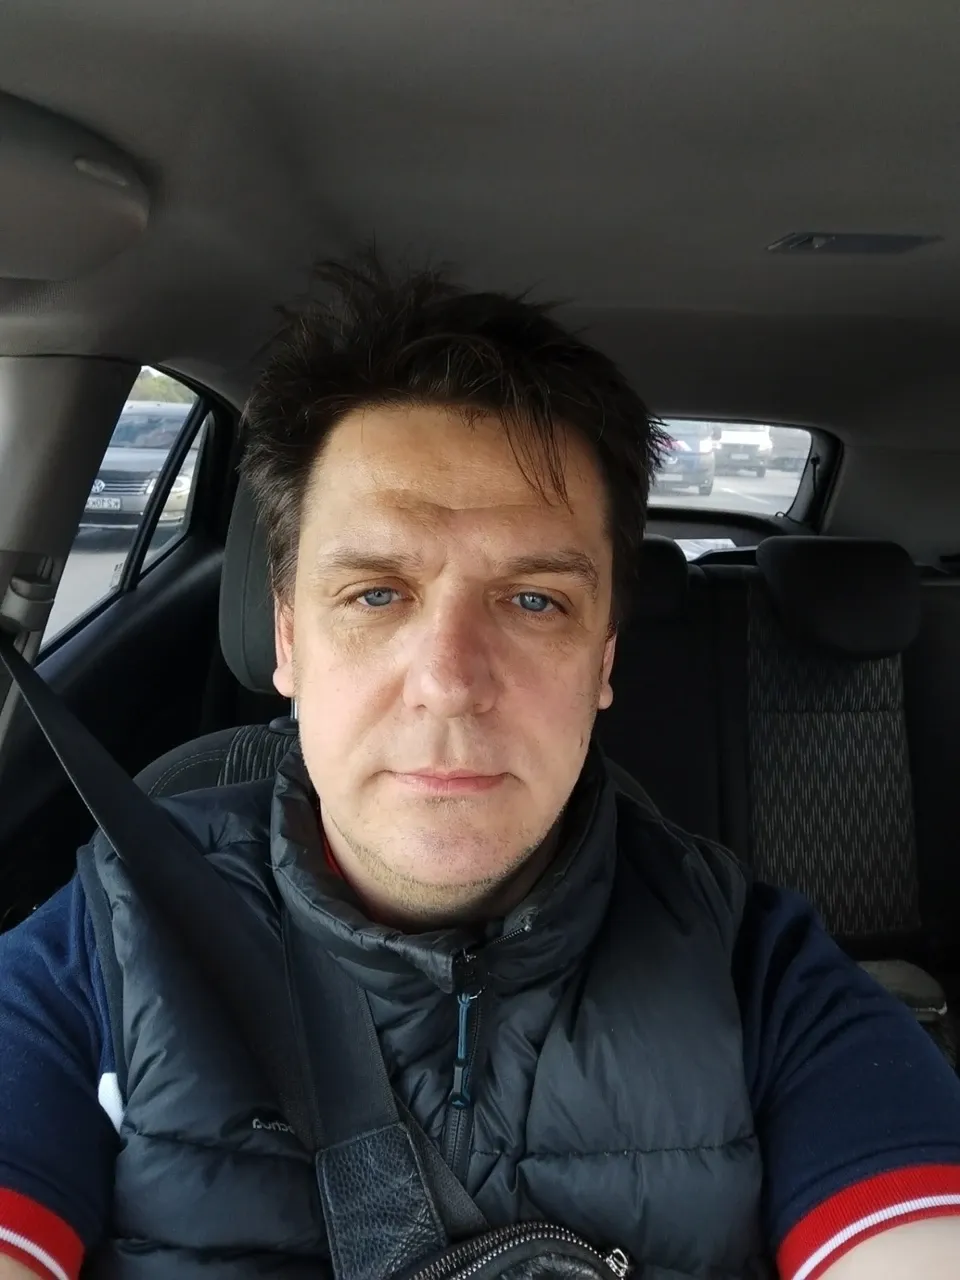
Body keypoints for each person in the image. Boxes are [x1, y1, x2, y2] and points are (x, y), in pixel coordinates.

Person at [2, 256, 960, 1280]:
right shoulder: (110, 938)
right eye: (375, 595)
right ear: (288, 639)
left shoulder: (757, 970)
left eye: (535, 601)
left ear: (604, 659)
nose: (451, 683)